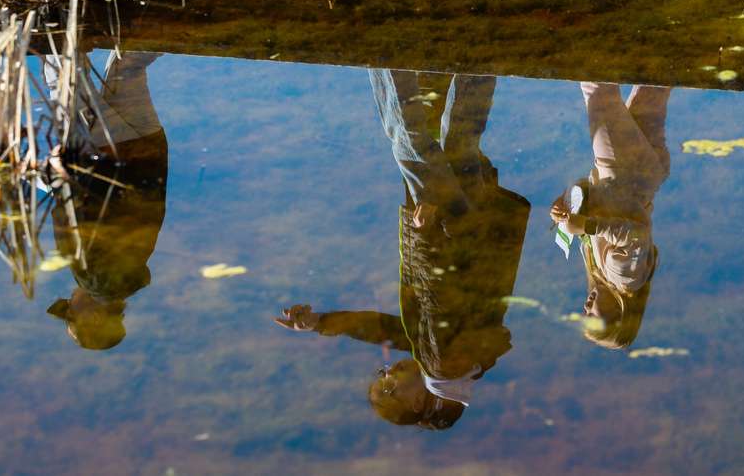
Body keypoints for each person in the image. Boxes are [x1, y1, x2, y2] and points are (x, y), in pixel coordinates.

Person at [275, 70, 530, 430]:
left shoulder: (459, 364)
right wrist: (426, 237)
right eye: (388, 385)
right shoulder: (442, 364)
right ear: (414, 401)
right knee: (408, 141)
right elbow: (443, 297)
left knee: (461, 139)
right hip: (445, 230)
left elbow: (389, 331)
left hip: (473, 231)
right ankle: (385, 57)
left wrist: (323, 323)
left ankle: (479, 59)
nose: (387, 370)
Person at [44, 51, 167, 351]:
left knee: (129, 65)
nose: (69, 301)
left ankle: (179, 11)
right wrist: (56, 170)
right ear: (94, 318)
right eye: (70, 312)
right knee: (62, 67)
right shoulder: (92, 277)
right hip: (104, 151)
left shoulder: (135, 267)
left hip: (147, 146)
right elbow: (69, 210)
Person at [549, 82, 670, 349]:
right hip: (624, 170)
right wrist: (585, 226)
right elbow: (637, 235)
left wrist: (566, 203)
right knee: (597, 88)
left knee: (655, 85)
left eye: (584, 315)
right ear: (620, 314)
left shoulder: (602, 272)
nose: (586, 307)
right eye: (593, 317)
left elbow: (600, 200)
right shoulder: (625, 278)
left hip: (643, 173)